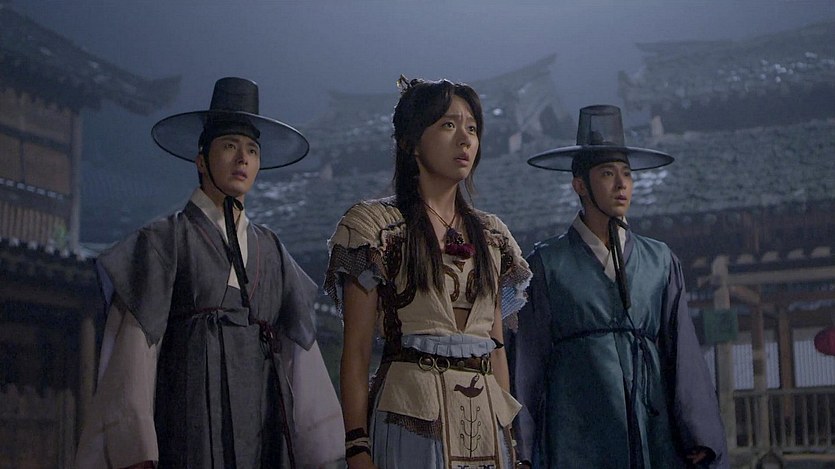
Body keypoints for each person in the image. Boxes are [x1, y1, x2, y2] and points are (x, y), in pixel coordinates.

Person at [75, 77, 343, 468]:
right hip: (188, 424)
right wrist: (136, 449)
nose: (242, 159)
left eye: (252, 150)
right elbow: (134, 355)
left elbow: (300, 358)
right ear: (201, 160)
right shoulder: (164, 241)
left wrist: (320, 447)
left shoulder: (273, 252)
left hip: (262, 426)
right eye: (230, 146)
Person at [324, 77, 532, 468]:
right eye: (448, 125)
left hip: (486, 419)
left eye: (473, 128)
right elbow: (357, 350)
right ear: (411, 143)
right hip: (412, 416)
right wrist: (357, 446)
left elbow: (496, 348)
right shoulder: (374, 228)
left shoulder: (493, 236)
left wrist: (511, 440)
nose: (465, 139)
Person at [514, 105, 728, 468]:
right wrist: (522, 447)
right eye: (607, 174)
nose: (621, 184)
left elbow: (682, 352)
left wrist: (699, 432)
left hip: (651, 425)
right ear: (579, 185)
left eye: (627, 174)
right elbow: (527, 363)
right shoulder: (547, 264)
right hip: (575, 428)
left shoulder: (660, 261)